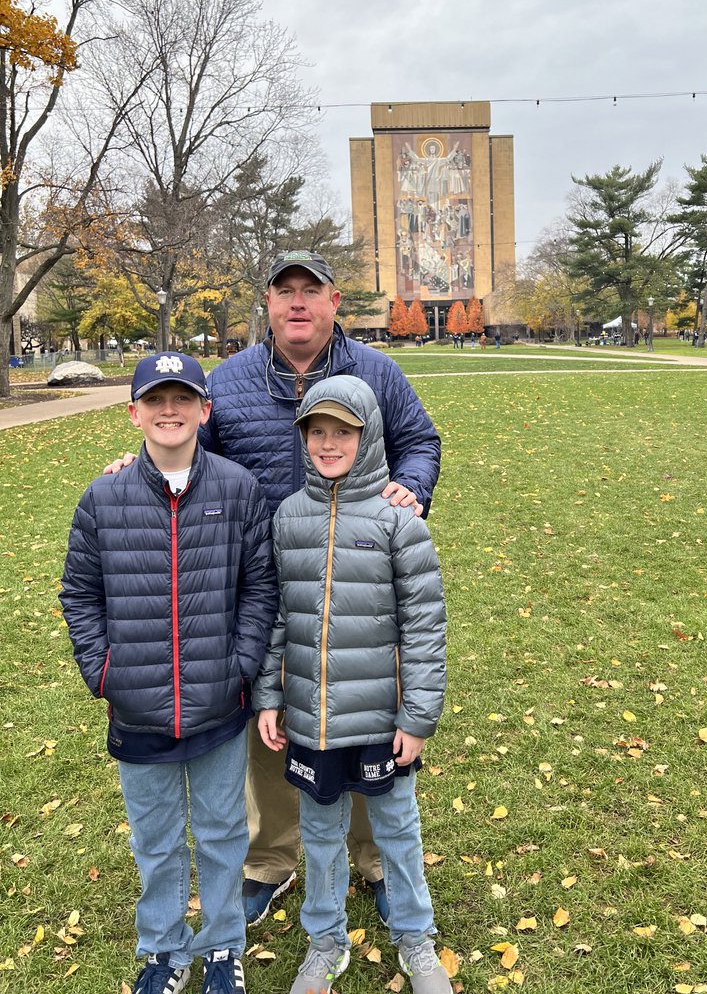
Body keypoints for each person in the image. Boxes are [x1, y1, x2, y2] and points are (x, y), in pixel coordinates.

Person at [107, 251, 441, 927]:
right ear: (268, 302)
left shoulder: (376, 372)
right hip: (260, 573)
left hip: (360, 573)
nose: (297, 303)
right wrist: (136, 467)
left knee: (367, 704)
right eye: (284, 291)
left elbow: (420, 440)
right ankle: (272, 859)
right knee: (273, 714)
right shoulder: (228, 383)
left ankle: (372, 857)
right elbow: (187, 451)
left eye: (309, 292)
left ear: (334, 302)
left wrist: (414, 485)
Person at [60, 353, 280, 994]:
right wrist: (105, 672)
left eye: (182, 398)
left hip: (219, 704)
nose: (169, 410)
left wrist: (239, 665)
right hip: (137, 707)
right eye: (155, 400)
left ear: (204, 410)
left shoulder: (238, 488)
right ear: (134, 412)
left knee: (220, 834)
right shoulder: (104, 497)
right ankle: (162, 949)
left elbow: (259, 587)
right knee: (155, 842)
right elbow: (80, 594)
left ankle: (220, 948)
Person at [254, 375, 451, 994]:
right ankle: (325, 942)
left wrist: (417, 717)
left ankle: (416, 939)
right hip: (311, 715)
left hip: (380, 717)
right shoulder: (289, 517)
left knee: (396, 826)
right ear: (304, 438)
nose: (330, 443)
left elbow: (425, 628)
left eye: (343, 431)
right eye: (318, 431)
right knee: (319, 832)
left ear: (366, 437)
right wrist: (268, 694)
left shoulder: (399, 522)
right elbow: (280, 616)